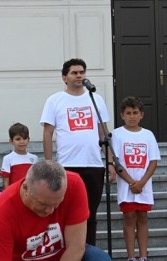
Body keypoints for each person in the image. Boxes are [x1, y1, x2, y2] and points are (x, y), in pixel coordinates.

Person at [41, 58, 116, 246]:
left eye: (82, 72)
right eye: (74, 73)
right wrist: (49, 164)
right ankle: (66, 254)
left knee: (90, 214)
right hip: (67, 166)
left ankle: (88, 252)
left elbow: (103, 132)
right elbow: (48, 133)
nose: (79, 75)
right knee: (66, 212)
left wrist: (110, 162)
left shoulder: (95, 98)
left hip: (93, 165)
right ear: (64, 77)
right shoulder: (55, 100)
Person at [111, 96, 160, 261]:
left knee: (143, 218)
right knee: (129, 218)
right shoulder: (116, 134)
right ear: (122, 115)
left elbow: (153, 161)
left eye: (135, 113)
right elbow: (116, 161)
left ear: (141, 114)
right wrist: (132, 182)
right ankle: (131, 258)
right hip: (127, 186)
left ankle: (144, 257)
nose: (132, 116)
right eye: (128, 113)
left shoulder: (148, 135)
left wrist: (142, 182)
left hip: (144, 186)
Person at [0, 122, 38, 190]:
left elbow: (36, 179)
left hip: (30, 195)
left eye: (25, 138)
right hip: (14, 194)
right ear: (11, 141)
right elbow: (6, 182)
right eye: (18, 139)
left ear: (28, 139)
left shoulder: (34, 158)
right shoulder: (8, 158)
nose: (22, 141)